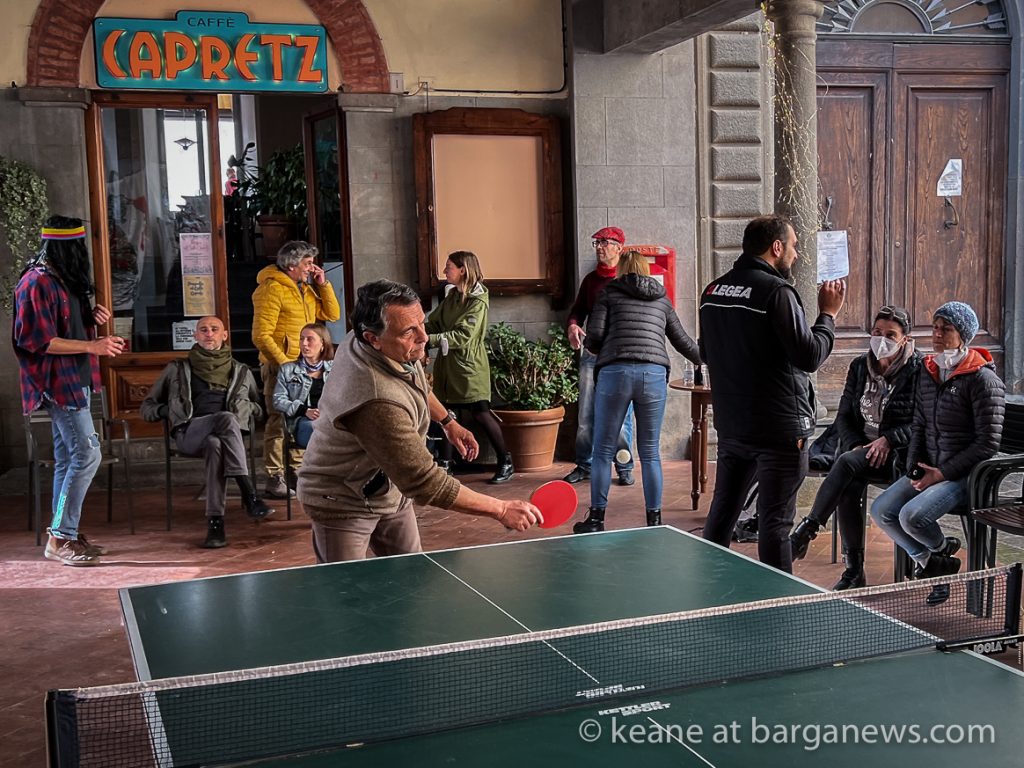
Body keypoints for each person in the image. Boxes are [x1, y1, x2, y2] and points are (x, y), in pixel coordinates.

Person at [297, 279, 541, 562]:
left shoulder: (374, 341)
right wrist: (500, 509)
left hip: (388, 488)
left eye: (422, 323)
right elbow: (425, 482)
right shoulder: (376, 400)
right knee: (348, 596)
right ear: (372, 338)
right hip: (342, 499)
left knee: (412, 576)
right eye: (409, 331)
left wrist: (448, 422)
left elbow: (416, 383)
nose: (423, 337)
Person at [699, 214, 846, 573]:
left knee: (723, 510)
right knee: (776, 522)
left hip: (734, 425)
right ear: (776, 247)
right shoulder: (776, 292)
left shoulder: (712, 291)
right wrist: (828, 315)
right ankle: (779, 605)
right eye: (793, 245)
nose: (795, 254)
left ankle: (710, 588)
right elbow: (809, 355)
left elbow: (706, 352)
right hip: (780, 429)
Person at [870, 301, 1004, 603]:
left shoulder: (983, 380)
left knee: (911, 517)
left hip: (965, 476)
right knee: (881, 511)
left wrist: (941, 474)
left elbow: (987, 444)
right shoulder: (929, 371)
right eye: (935, 327)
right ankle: (936, 562)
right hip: (929, 467)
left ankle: (940, 554)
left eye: (947, 329)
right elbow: (918, 423)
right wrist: (914, 468)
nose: (938, 334)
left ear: (963, 335)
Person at [13, 215, 126, 566]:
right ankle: (60, 537)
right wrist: (93, 346)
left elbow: (62, 325)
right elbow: (38, 341)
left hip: (75, 379)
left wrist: (89, 320)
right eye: (79, 248)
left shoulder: (59, 278)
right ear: (66, 248)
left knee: (69, 459)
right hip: (57, 383)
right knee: (87, 454)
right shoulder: (35, 283)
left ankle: (65, 534)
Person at [789, 306, 922, 589]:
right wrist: (858, 444)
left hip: (898, 455)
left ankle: (808, 530)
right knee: (849, 479)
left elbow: (922, 423)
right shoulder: (860, 366)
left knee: (847, 465)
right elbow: (845, 416)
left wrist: (888, 440)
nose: (881, 340)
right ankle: (854, 571)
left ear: (905, 340)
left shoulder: (919, 370)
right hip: (861, 450)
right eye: (876, 333)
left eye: (890, 335)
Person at [572, 251, 701, 533]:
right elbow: (683, 342)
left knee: (603, 450)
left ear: (622, 270)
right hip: (653, 375)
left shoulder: (608, 293)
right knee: (650, 451)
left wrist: (598, 346)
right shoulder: (661, 298)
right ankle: (654, 521)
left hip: (614, 373)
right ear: (646, 270)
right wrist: (710, 357)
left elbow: (593, 337)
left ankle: (596, 519)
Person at [142, 316, 272, 548]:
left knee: (216, 444)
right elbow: (147, 408)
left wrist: (248, 407)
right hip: (189, 433)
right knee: (225, 418)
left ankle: (216, 525)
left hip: (223, 439)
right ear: (195, 336)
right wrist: (169, 410)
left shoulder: (241, 371)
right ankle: (248, 492)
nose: (208, 333)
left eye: (214, 329)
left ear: (224, 335)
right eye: (203, 330)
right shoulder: (177, 369)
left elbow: (260, 409)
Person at [252, 241, 341, 499]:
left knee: (302, 419)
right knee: (278, 420)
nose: (311, 267)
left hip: (306, 367)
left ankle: (297, 473)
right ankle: (274, 476)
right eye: (307, 263)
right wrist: (285, 365)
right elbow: (261, 335)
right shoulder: (271, 289)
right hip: (280, 366)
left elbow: (332, 314)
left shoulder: (306, 289)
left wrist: (322, 284)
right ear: (292, 265)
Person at [425, 251, 513, 483]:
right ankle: (445, 464)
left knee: (481, 412)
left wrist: (429, 340)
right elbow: (434, 322)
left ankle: (505, 461)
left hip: (469, 367)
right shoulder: (452, 295)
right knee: (445, 414)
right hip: (448, 366)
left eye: (449, 267)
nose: (445, 271)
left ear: (463, 269)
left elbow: (464, 335)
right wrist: (416, 331)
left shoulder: (478, 300)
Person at [564, 227, 637, 487]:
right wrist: (573, 326)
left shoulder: (628, 280)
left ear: (619, 248)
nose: (599, 247)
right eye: (597, 242)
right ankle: (585, 464)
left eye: (605, 242)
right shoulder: (591, 280)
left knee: (622, 417)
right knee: (585, 414)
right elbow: (577, 311)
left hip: (620, 356)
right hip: (592, 354)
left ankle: (624, 465)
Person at [272, 323, 334, 449]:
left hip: (331, 420)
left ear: (323, 344)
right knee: (314, 429)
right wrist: (305, 410)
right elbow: (278, 400)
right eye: (301, 339)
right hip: (303, 421)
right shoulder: (288, 369)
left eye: (309, 339)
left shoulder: (335, 368)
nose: (304, 343)